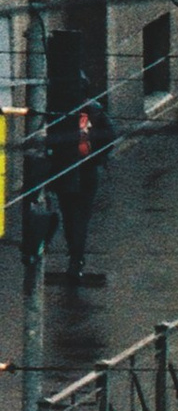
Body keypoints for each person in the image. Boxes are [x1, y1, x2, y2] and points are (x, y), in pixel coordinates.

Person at [45, 92, 105, 288]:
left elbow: (109, 136)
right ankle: (75, 258)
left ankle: (75, 257)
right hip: (79, 172)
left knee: (73, 217)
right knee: (76, 217)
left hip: (78, 172)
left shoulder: (68, 111)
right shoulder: (91, 110)